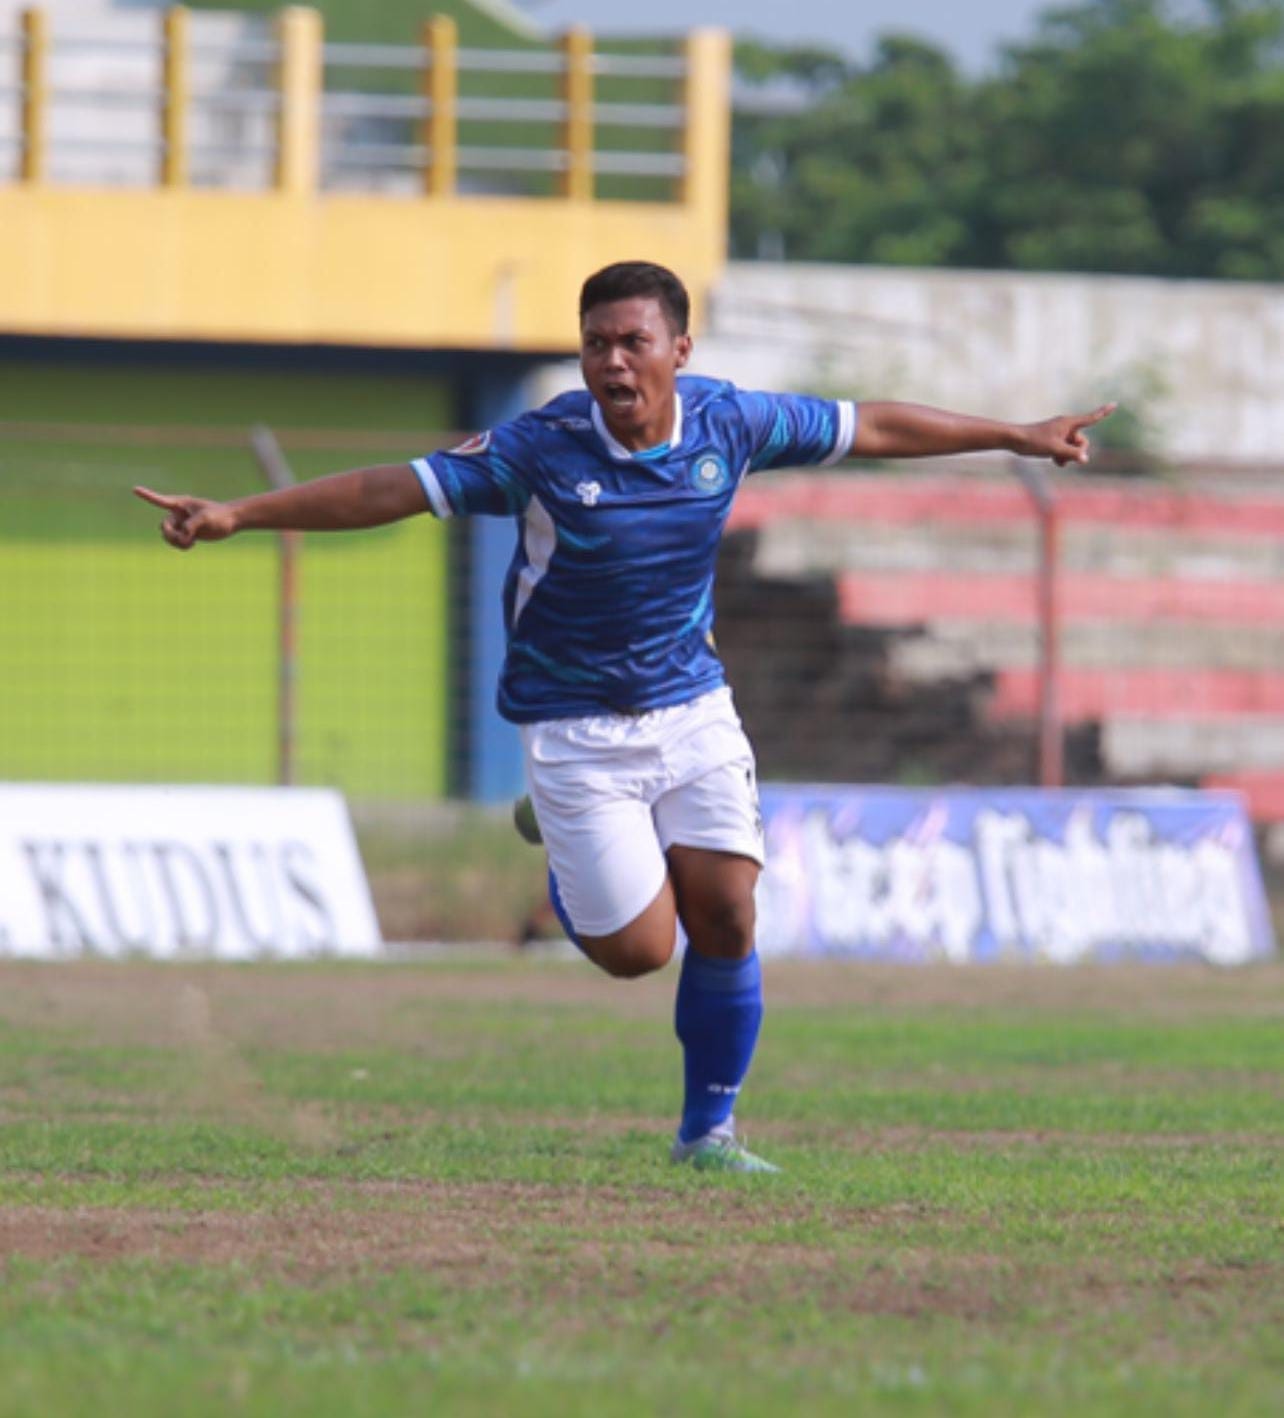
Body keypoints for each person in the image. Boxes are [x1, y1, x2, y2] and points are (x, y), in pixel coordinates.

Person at [135, 260, 1113, 1174]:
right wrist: (241, 514)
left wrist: (1015, 435)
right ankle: (560, 846)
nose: (612, 361)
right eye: (595, 343)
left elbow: (874, 427)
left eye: (633, 342)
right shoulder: (538, 449)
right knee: (639, 953)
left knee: (728, 911)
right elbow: (393, 488)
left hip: (691, 707)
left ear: (678, 350)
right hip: (575, 727)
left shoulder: (732, 421)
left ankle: (709, 1132)